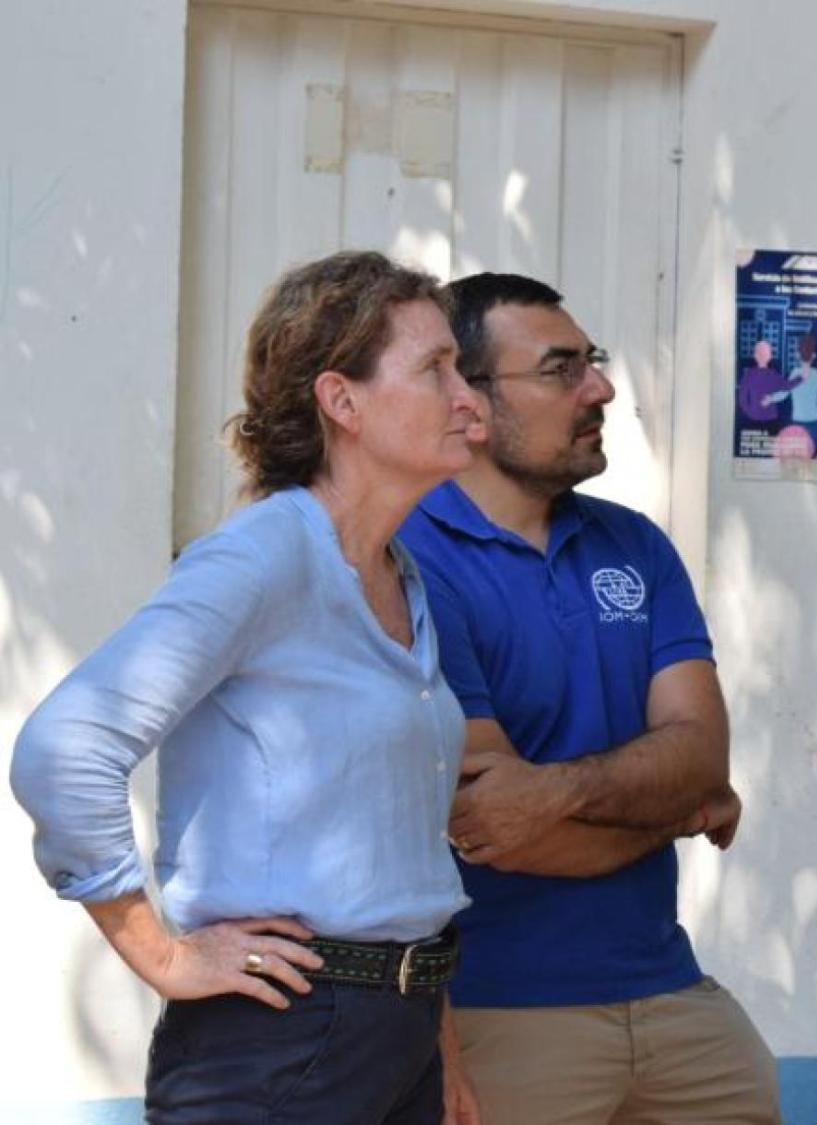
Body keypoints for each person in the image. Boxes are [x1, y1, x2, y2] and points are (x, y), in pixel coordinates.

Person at [10, 251, 486, 1123]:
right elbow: (63, 748)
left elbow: (398, 849)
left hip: (399, 1035)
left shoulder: (401, 573)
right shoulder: (262, 555)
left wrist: (439, 1048)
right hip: (276, 1038)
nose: (471, 397)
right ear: (341, 401)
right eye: (435, 368)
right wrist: (163, 956)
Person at [397, 273, 780, 1124]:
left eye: (592, 363)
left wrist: (563, 791)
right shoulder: (411, 560)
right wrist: (675, 811)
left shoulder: (636, 545)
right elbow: (495, 824)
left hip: (675, 995)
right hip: (503, 1009)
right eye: (561, 369)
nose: (600, 388)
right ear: (471, 399)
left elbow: (700, 754)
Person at [761, 333, 817, 449]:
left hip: (800, 422)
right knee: (809, 455)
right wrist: (816, 414)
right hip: (809, 422)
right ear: (814, 356)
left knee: (799, 455)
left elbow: (784, 393)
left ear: (797, 355)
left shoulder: (797, 373)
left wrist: (770, 399)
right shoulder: (815, 374)